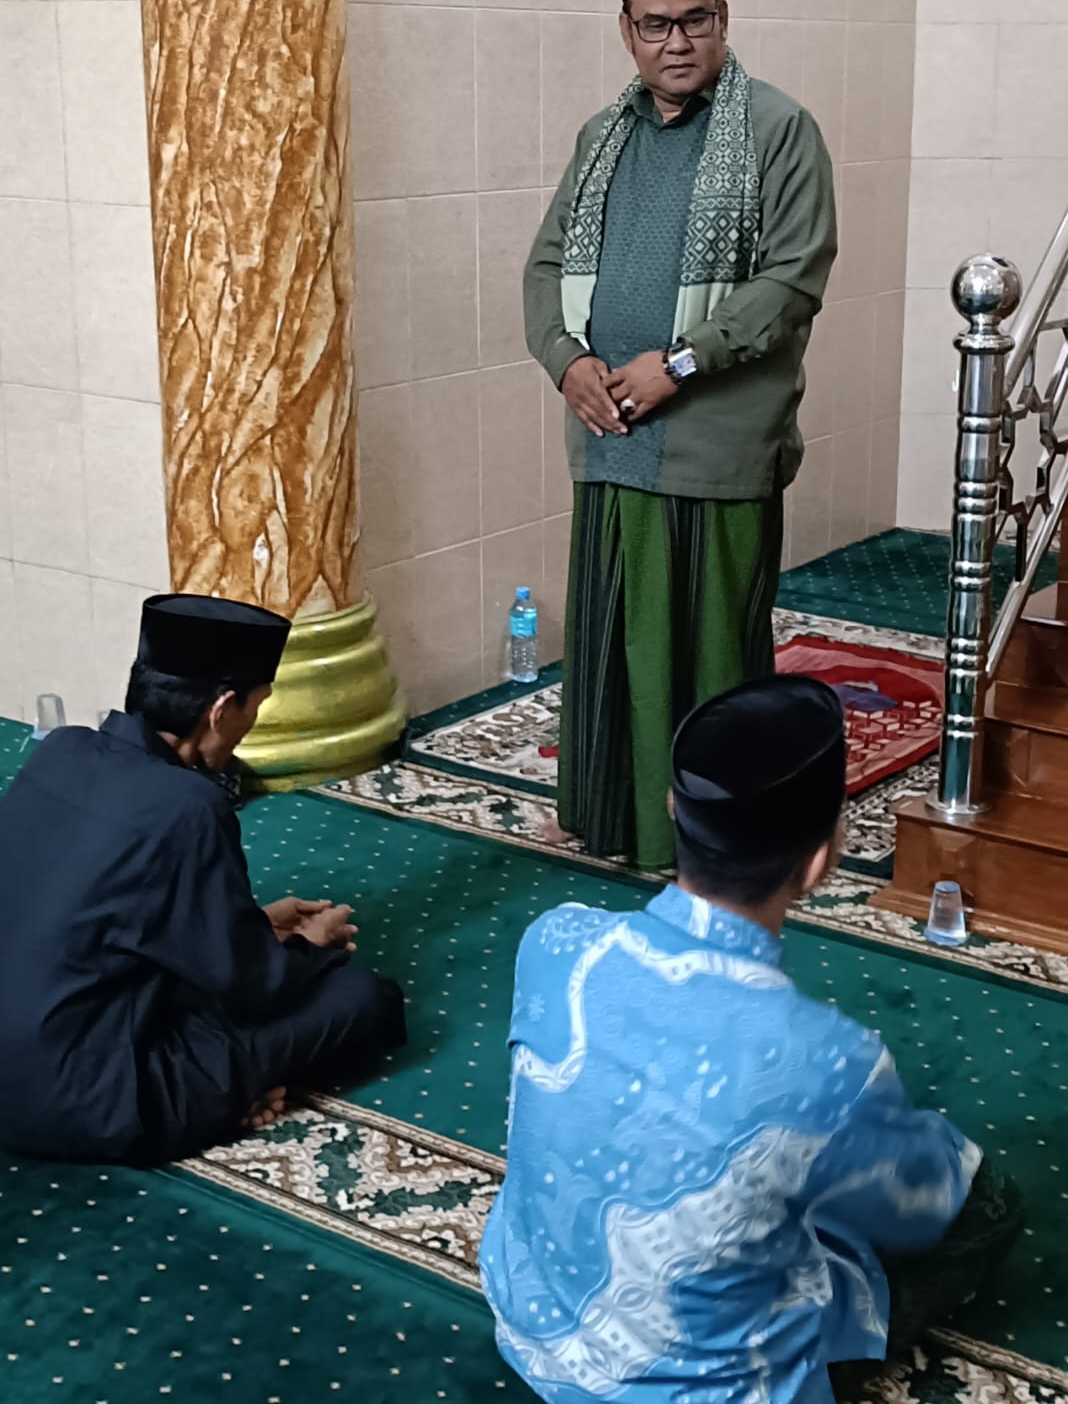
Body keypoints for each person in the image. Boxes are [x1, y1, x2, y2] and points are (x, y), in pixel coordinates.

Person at [480, 676, 1022, 1404]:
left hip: (533, 1334)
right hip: (703, 1388)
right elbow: (918, 1205)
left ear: (673, 808)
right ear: (820, 862)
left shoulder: (558, 940)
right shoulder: (830, 1061)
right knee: (982, 1199)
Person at [529, 0, 837, 871]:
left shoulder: (777, 128)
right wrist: (567, 362)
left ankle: (721, 844)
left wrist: (681, 364)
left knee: (710, 658)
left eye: (694, 20)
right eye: (655, 24)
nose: (676, 41)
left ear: (723, 19)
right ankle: (612, 819)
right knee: (613, 645)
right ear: (626, 30)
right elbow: (546, 267)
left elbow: (792, 279)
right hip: (611, 434)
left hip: (715, 442)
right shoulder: (603, 137)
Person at [0, 594, 406, 1165]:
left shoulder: (62, 749)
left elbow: (102, 913)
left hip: (29, 1054)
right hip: (88, 1103)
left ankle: (220, 1090)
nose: (250, 725)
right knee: (362, 998)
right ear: (220, 709)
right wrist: (306, 947)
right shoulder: (189, 804)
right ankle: (218, 1102)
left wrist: (253, 926)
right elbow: (254, 988)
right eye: (255, 706)